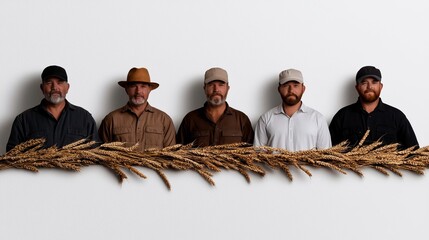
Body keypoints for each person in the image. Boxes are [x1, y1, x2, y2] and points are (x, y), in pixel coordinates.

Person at [6, 65, 99, 152]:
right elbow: (11, 157)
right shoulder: (23, 120)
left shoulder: (84, 117)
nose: (54, 87)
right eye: (49, 82)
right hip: (37, 170)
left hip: (75, 170)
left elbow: (97, 155)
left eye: (60, 82)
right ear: (42, 88)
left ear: (67, 87)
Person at [329, 66, 419, 149]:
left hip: (388, 167)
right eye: (364, 82)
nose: (369, 86)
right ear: (357, 87)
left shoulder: (397, 117)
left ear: (381, 86)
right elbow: (329, 152)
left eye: (374, 82)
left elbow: (414, 152)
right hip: (351, 167)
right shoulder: (342, 116)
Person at [98, 67, 176, 151]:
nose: (138, 91)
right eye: (133, 86)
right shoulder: (111, 119)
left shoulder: (164, 120)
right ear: (126, 89)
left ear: (149, 89)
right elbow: (102, 154)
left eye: (143, 86)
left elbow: (171, 155)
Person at [254, 68, 332, 151]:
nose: (291, 90)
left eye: (295, 85)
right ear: (279, 89)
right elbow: (258, 156)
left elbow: (325, 156)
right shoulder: (265, 119)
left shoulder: (318, 119)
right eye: (286, 85)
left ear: (303, 89)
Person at [176, 67, 254, 147]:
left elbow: (252, 155)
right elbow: (178, 154)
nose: (216, 89)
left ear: (228, 88)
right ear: (204, 88)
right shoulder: (190, 119)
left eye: (221, 85)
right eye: (211, 85)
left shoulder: (242, 120)